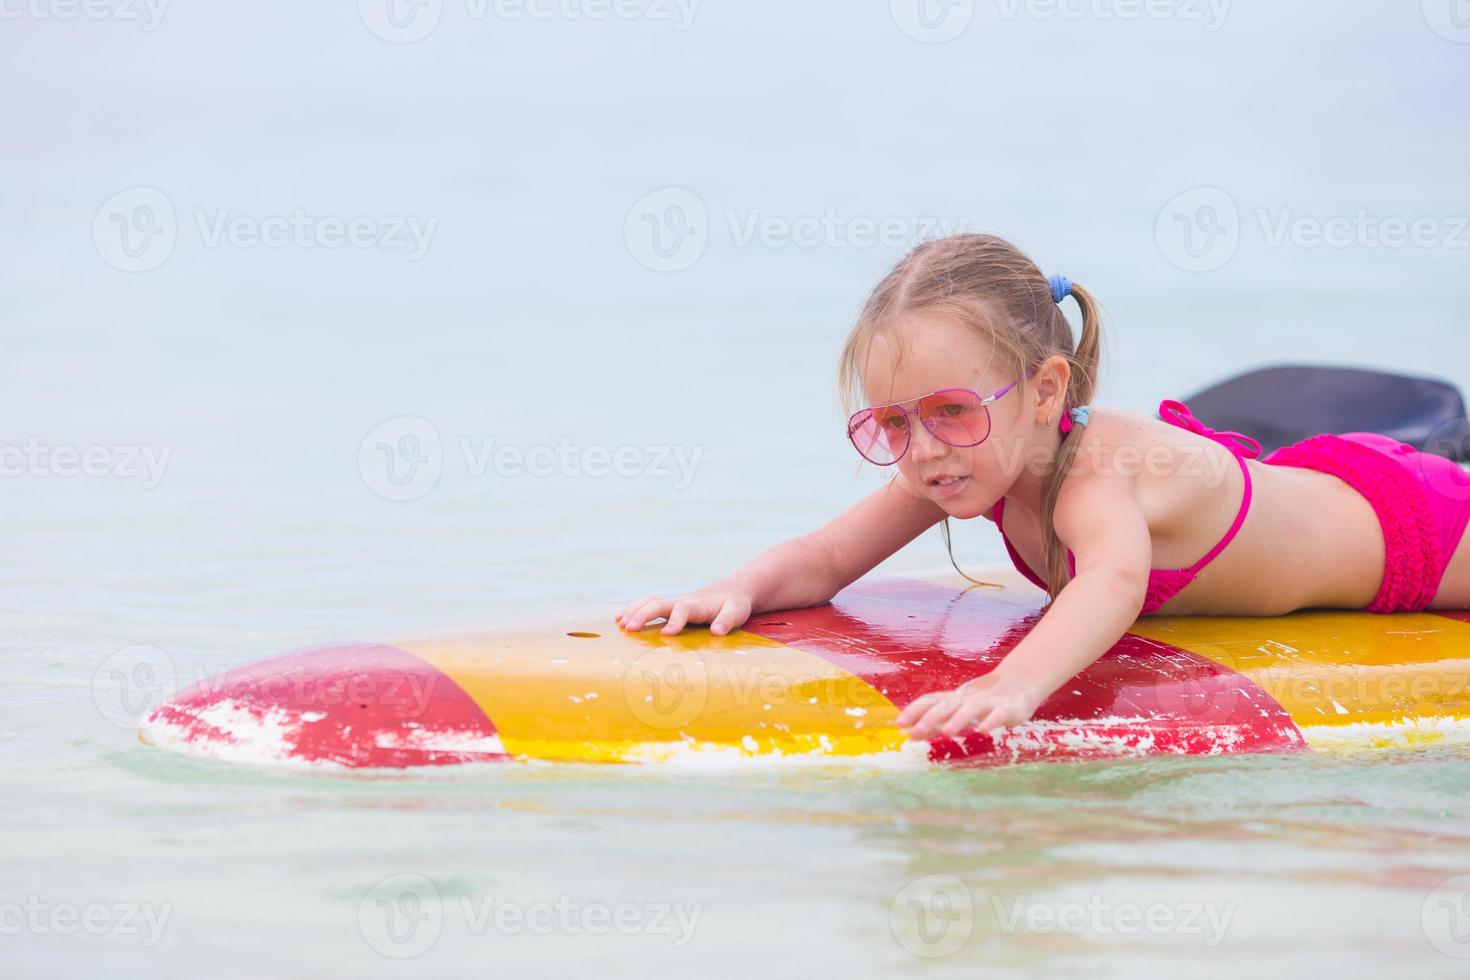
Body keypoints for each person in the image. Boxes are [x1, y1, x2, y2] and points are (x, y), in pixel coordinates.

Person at [615, 234, 1470, 742]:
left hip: (1412, 536)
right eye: (894, 423)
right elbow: (830, 555)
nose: (923, 449)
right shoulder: (962, 458)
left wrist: (1014, 685)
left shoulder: (1099, 473)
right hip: (1307, 487)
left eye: (950, 410)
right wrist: (735, 589)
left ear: (1047, 392)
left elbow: (1113, 581)